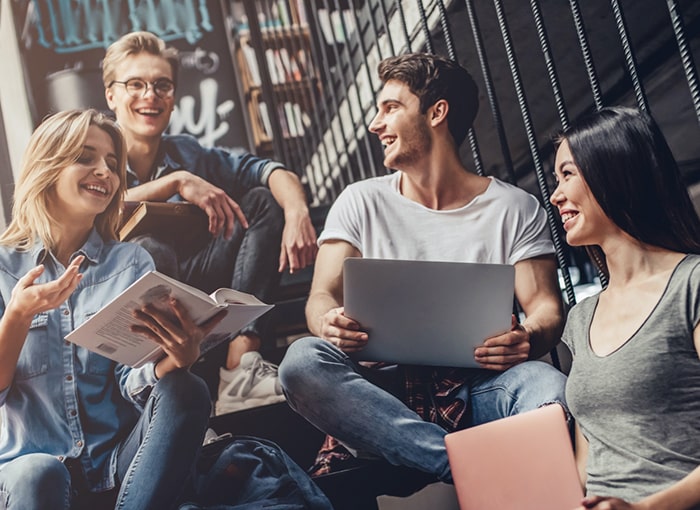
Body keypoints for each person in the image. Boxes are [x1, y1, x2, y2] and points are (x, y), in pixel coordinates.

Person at [278, 53, 568, 482]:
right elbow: (321, 295)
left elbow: (546, 306)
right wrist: (327, 323)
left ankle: (454, 463)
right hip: (382, 396)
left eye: (390, 107)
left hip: (477, 389)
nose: (375, 125)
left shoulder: (513, 207)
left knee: (547, 388)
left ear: (437, 112)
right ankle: (467, 469)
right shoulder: (360, 200)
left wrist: (527, 336)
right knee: (301, 361)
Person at [0, 109, 224, 509]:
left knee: (187, 388)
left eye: (111, 163)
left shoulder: (130, 263)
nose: (105, 171)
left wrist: (174, 359)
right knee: (38, 473)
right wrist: (17, 315)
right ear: (48, 164)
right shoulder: (3, 268)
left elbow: (130, 377)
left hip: (118, 470)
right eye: (86, 157)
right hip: (28, 477)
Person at [102, 31, 319, 415]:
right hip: (131, 314)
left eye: (162, 85)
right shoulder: (95, 155)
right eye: (135, 84)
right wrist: (175, 182)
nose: (150, 95)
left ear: (172, 97)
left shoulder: (187, 151)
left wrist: (298, 212)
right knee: (146, 249)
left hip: (202, 290)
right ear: (111, 95)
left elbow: (267, 170)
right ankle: (162, 394)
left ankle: (241, 366)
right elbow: (88, 210)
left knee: (261, 201)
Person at [550, 106, 700, 509]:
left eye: (567, 174)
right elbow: (588, 464)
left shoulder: (693, 284)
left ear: (612, 171)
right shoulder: (580, 319)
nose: (555, 195)